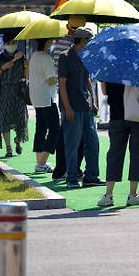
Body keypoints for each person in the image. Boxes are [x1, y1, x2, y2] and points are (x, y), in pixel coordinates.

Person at [59, 27, 103, 189]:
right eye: (89, 40)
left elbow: (87, 80)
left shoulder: (86, 56)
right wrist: (67, 108)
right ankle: (71, 177)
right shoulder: (65, 57)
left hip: (86, 107)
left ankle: (91, 176)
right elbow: (62, 85)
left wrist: (93, 101)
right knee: (72, 143)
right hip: (72, 107)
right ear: (83, 41)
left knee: (93, 142)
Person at [97, 82, 139, 207]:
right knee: (137, 154)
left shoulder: (110, 66)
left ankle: (108, 194)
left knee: (114, 153)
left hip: (117, 115)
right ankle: (133, 194)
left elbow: (104, 91)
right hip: (138, 114)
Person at [51, 16, 88, 181]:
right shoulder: (71, 48)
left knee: (66, 134)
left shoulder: (59, 43)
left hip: (65, 93)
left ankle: (62, 169)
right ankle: (69, 169)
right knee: (72, 136)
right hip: (71, 95)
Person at [0, 35, 28, 158]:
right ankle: (8, 148)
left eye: (15, 42)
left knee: (21, 119)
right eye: (11, 42)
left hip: (18, 92)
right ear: (5, 43)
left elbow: (27, 76)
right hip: (4, 92)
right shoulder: (0, 57)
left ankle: (18, 140)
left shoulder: (22, 56)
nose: (13, 44)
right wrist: (7, 65)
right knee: (4, 119)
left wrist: (26, 65)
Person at [29, 38, 60, 173]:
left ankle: (40, 161)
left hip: (36, 97)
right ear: (47, 42)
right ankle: (41, 163)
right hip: (47, 98)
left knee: (41, 128)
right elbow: (50, 79)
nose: (52, 43)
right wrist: (60, 77)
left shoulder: (34, 56)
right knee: (54, 128)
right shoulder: (46, 58)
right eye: (51, 41)